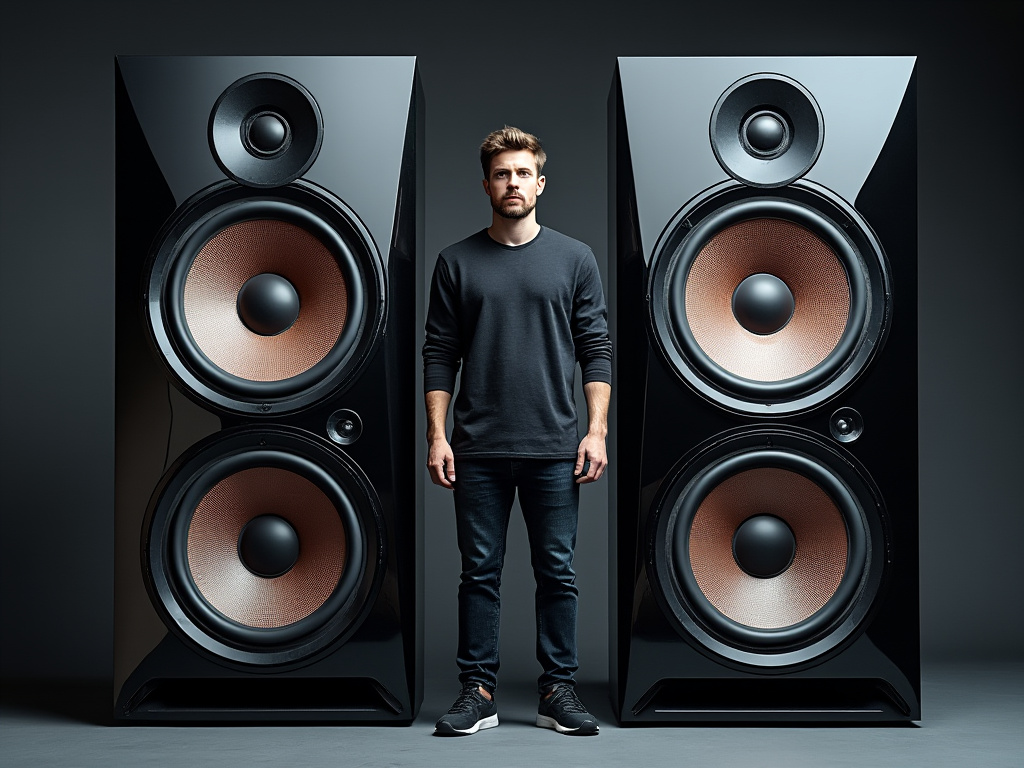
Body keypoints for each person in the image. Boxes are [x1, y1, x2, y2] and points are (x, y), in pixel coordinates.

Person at [423, 126, 612, 736]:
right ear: (486, 185)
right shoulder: (455, 261)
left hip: (555, 446)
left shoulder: (575, 258)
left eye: (523, 173)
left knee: (557, 572)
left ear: (540, 182)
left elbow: (597, 350)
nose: (513, 183)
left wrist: (596, 431)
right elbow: (439, 352)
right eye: (502, 174)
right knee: (478, 573)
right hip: (477, 447)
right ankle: (477, 691)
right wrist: (437, 435)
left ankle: (558, 691)